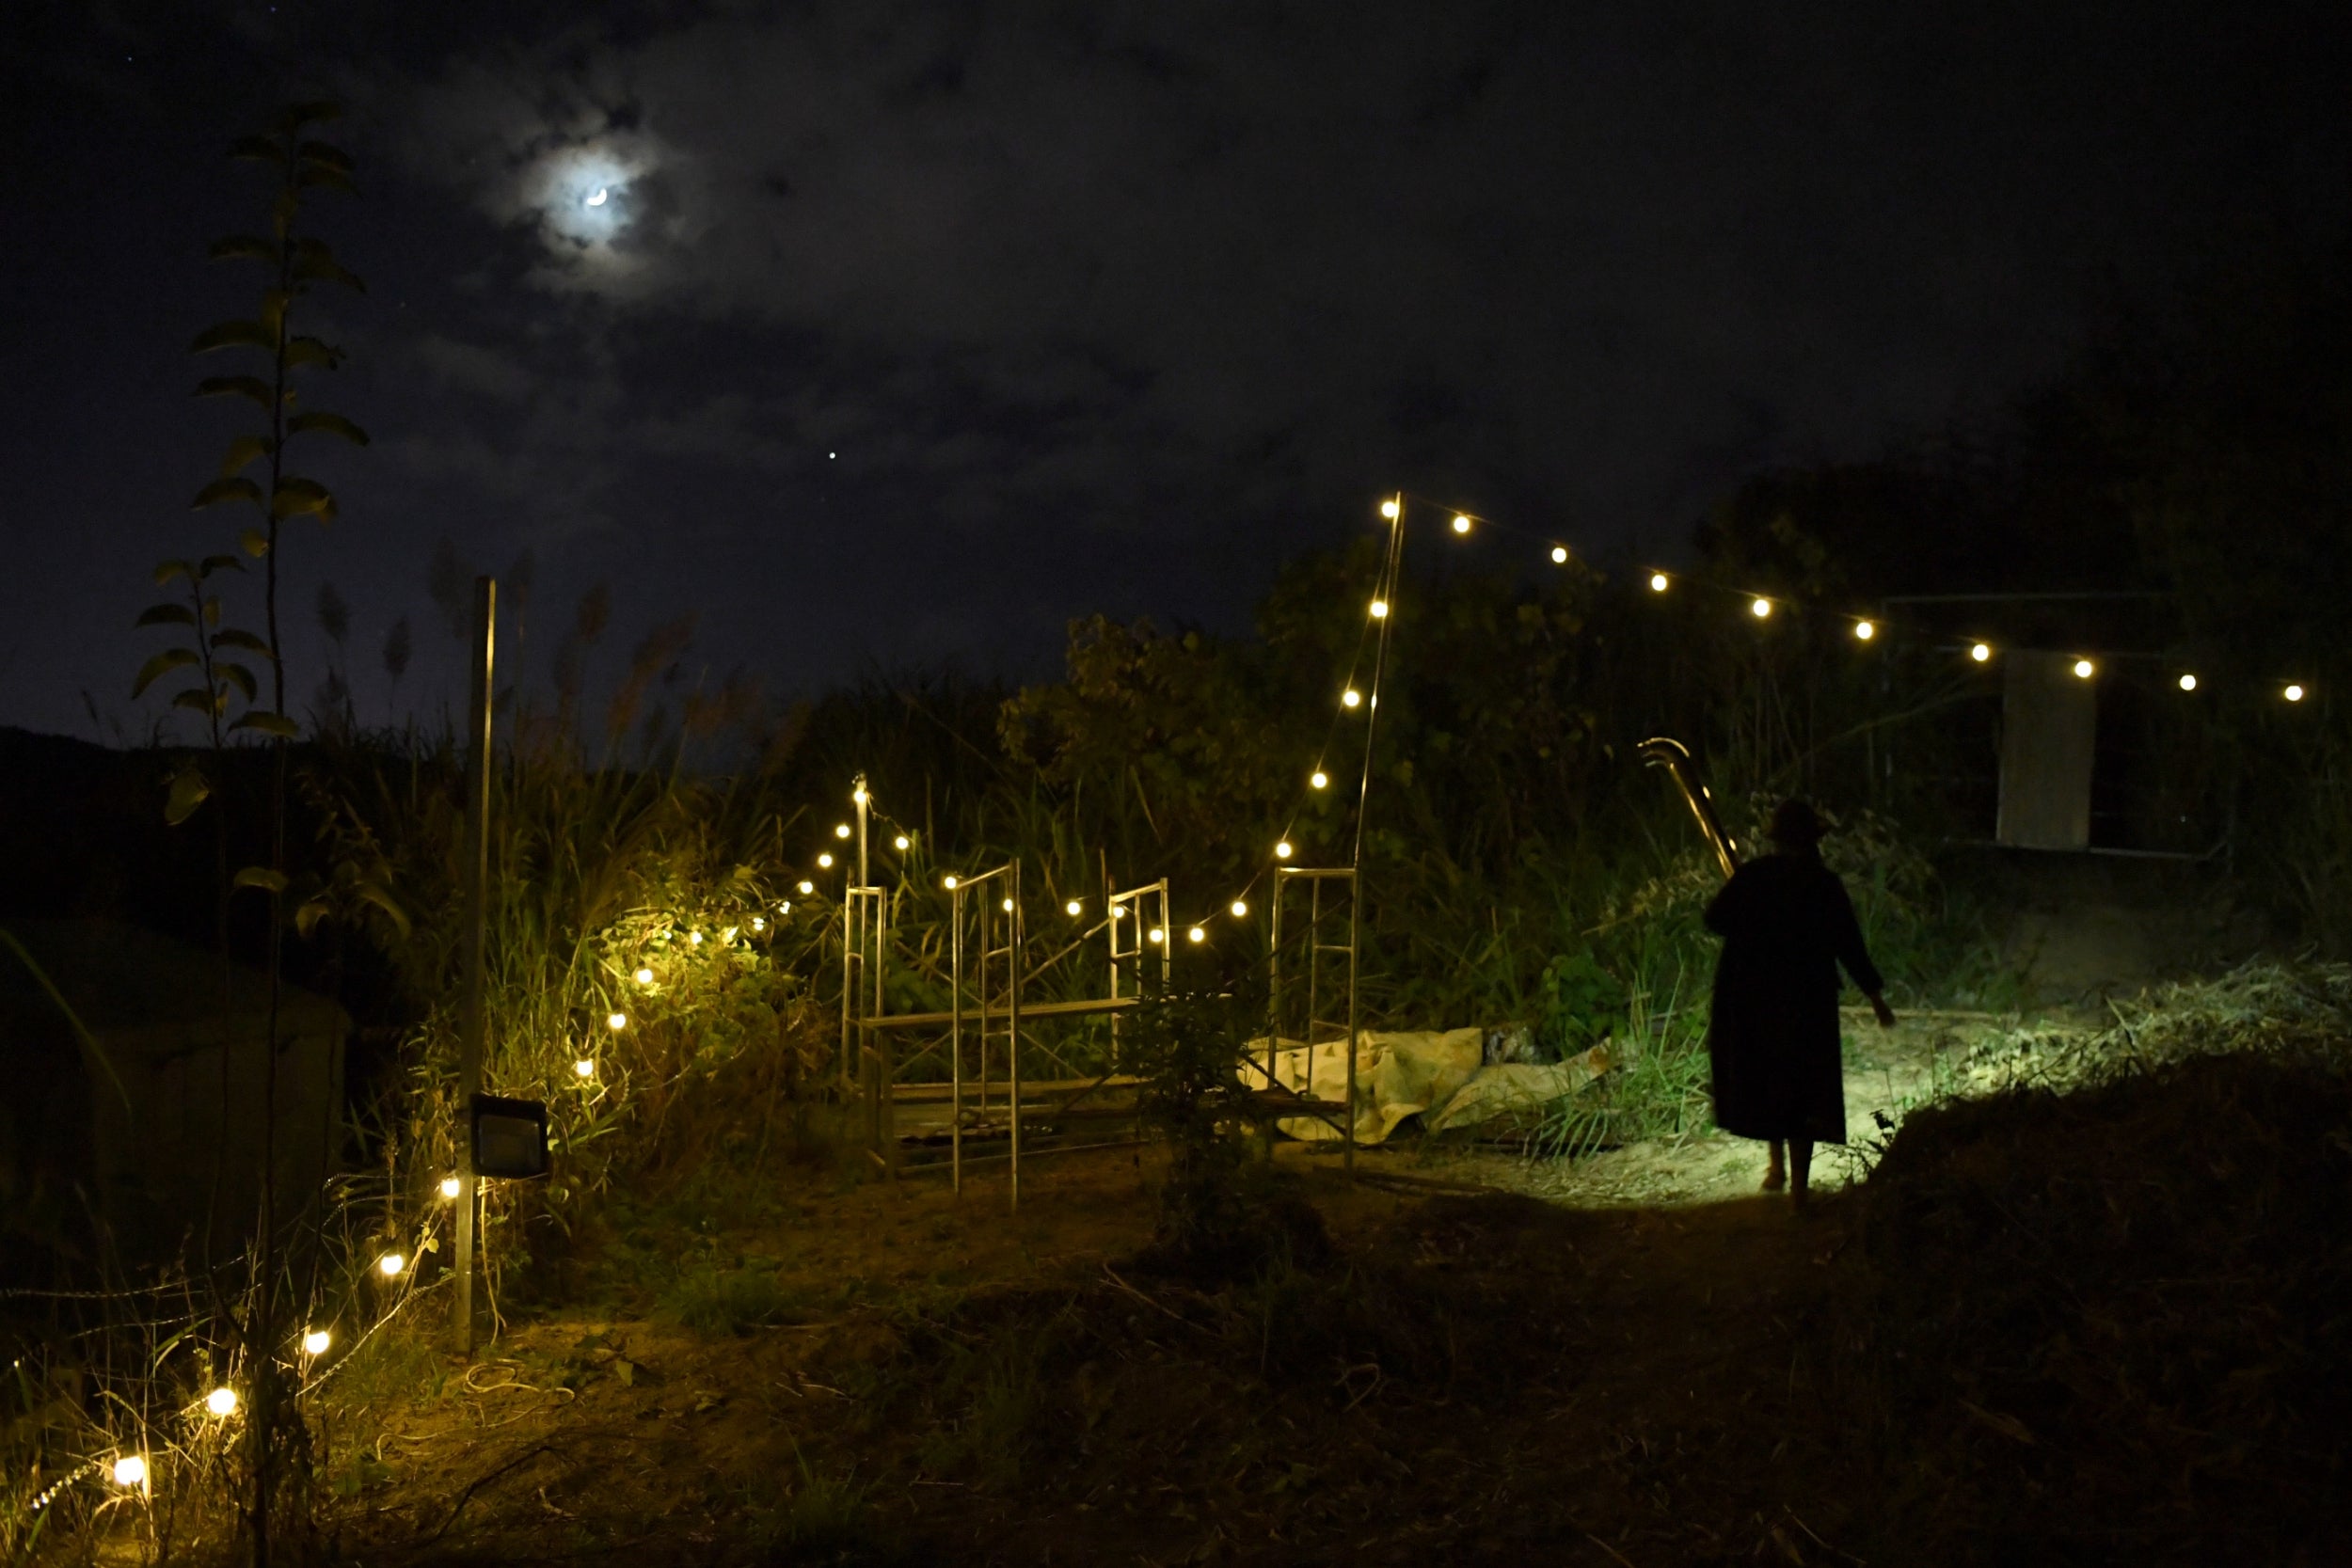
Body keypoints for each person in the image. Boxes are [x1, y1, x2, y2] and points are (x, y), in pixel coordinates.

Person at [1703, 798, 1896, 1205]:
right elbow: (1850, 946)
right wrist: (1875, 998)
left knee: (1769, 1080)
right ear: (1812, 841)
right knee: (1802, 1088)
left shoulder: (1754, 877)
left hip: (1755, 999)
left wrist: (1750, 905)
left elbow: (1714, 919)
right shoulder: (1823, 884)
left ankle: (1776, 1170)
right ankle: (1799, 1192)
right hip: (1806, 1001)